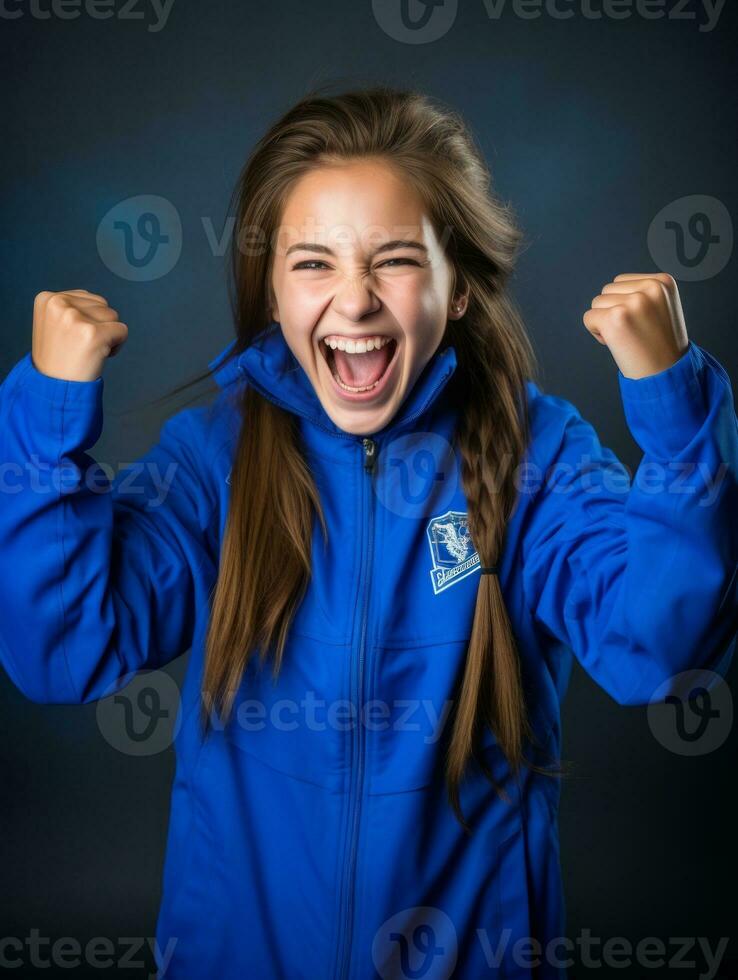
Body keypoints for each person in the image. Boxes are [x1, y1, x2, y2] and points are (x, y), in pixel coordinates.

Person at [0, 86, 736, 980]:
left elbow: (662, 651)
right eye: (313, 263)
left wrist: (672, 405)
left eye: (394, 260)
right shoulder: (210, 460)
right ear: (270, 289)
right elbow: (62, 652)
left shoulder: (536, 455)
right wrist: (46, 414)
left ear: (458, 285)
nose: (353, 302)